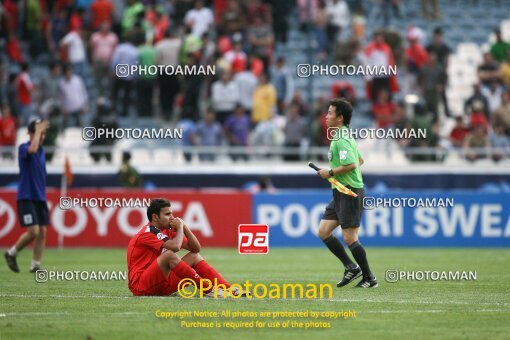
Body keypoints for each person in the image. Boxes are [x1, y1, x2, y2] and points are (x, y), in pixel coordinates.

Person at [316, 98, 377, 288]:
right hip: (340, 191)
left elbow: (352, 164)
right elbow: (360, 161)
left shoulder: (341, 138)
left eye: (330, 113)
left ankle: (369, 278)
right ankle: (351, 267)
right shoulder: (343, 136)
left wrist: (330, 172)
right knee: (324, 231)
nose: (326, 116)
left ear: (340, 118)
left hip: (350, 192)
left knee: (350, 237)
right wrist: (336, 176)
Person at [127, 198, 243, 297]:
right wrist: (180, 227)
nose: (172, 217)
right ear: (155, 217)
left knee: (194, 256)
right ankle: (209, 290)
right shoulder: (147, 232)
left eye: (171, 213)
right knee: (169, 256)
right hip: (141, 286)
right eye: (167, 214)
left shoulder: (167, 230)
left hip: (162, 283)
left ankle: (228, 289)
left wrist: (185, 227)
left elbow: (196, 249)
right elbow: (176, 247)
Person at [5, 119, 49, 273]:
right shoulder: (24, 148)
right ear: (31, 133)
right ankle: (11, 253)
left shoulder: (42, 151)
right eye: (40, 133)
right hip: (27, 196)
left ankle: (35, 265)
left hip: (39, 197)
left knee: (42, 232)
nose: (42, 136)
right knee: (34, 232)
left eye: (43, 133)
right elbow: (32, 149)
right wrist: (37, 130)